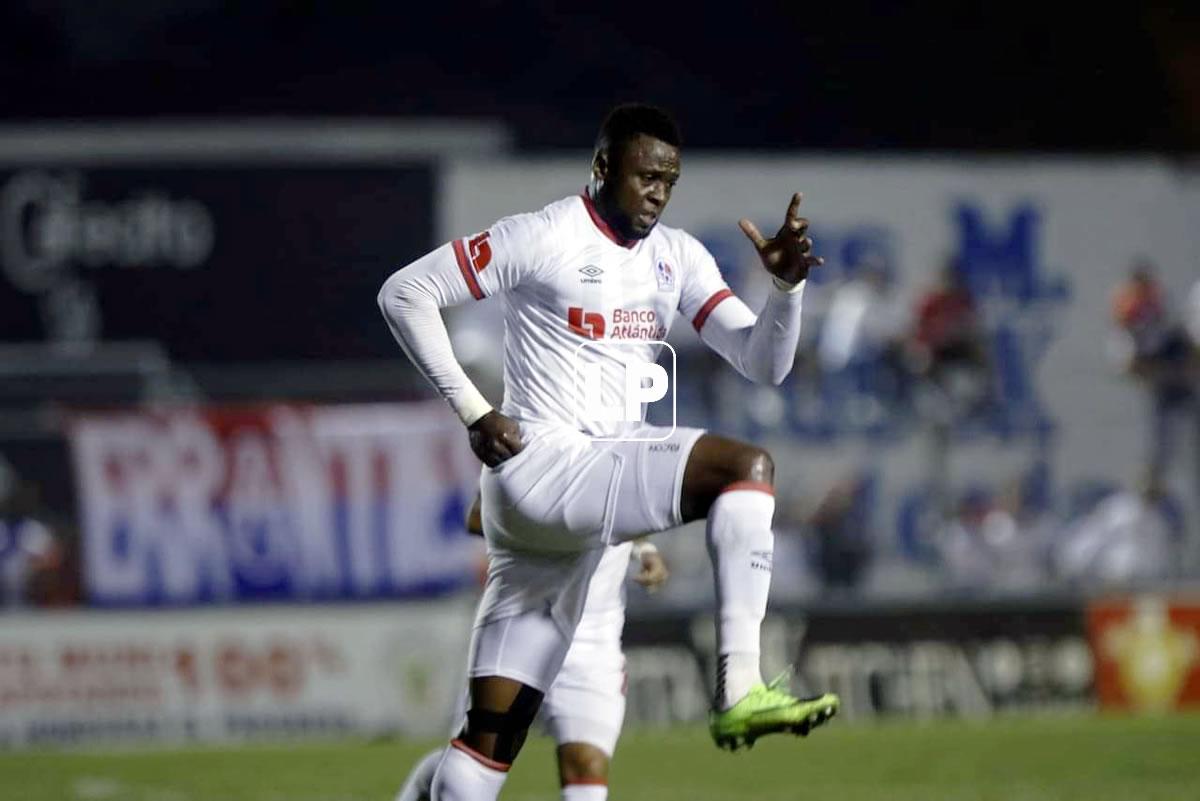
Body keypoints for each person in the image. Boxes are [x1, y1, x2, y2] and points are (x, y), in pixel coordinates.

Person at [378, 103, 838, 800]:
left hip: (559, 534)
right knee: (745, 469)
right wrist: (474, 410)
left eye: (669, 180)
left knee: (481, 751)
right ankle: (739, 684)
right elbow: (405, 292)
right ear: (602, 167)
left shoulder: (676, 256)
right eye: (644, 175)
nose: (656, 191)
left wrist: (786, 288)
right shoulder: (543, 234)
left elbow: (761, 361)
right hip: (541, 467)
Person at [397, 499, 669, 801]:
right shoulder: (533, 451)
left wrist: (644, 549)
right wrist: (554, 526)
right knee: (474, 760)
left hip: (593, 639)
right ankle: (423, 787)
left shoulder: (624, 454)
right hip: (524, 623)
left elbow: (627, 509)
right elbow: (477, 516)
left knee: (587, 766)